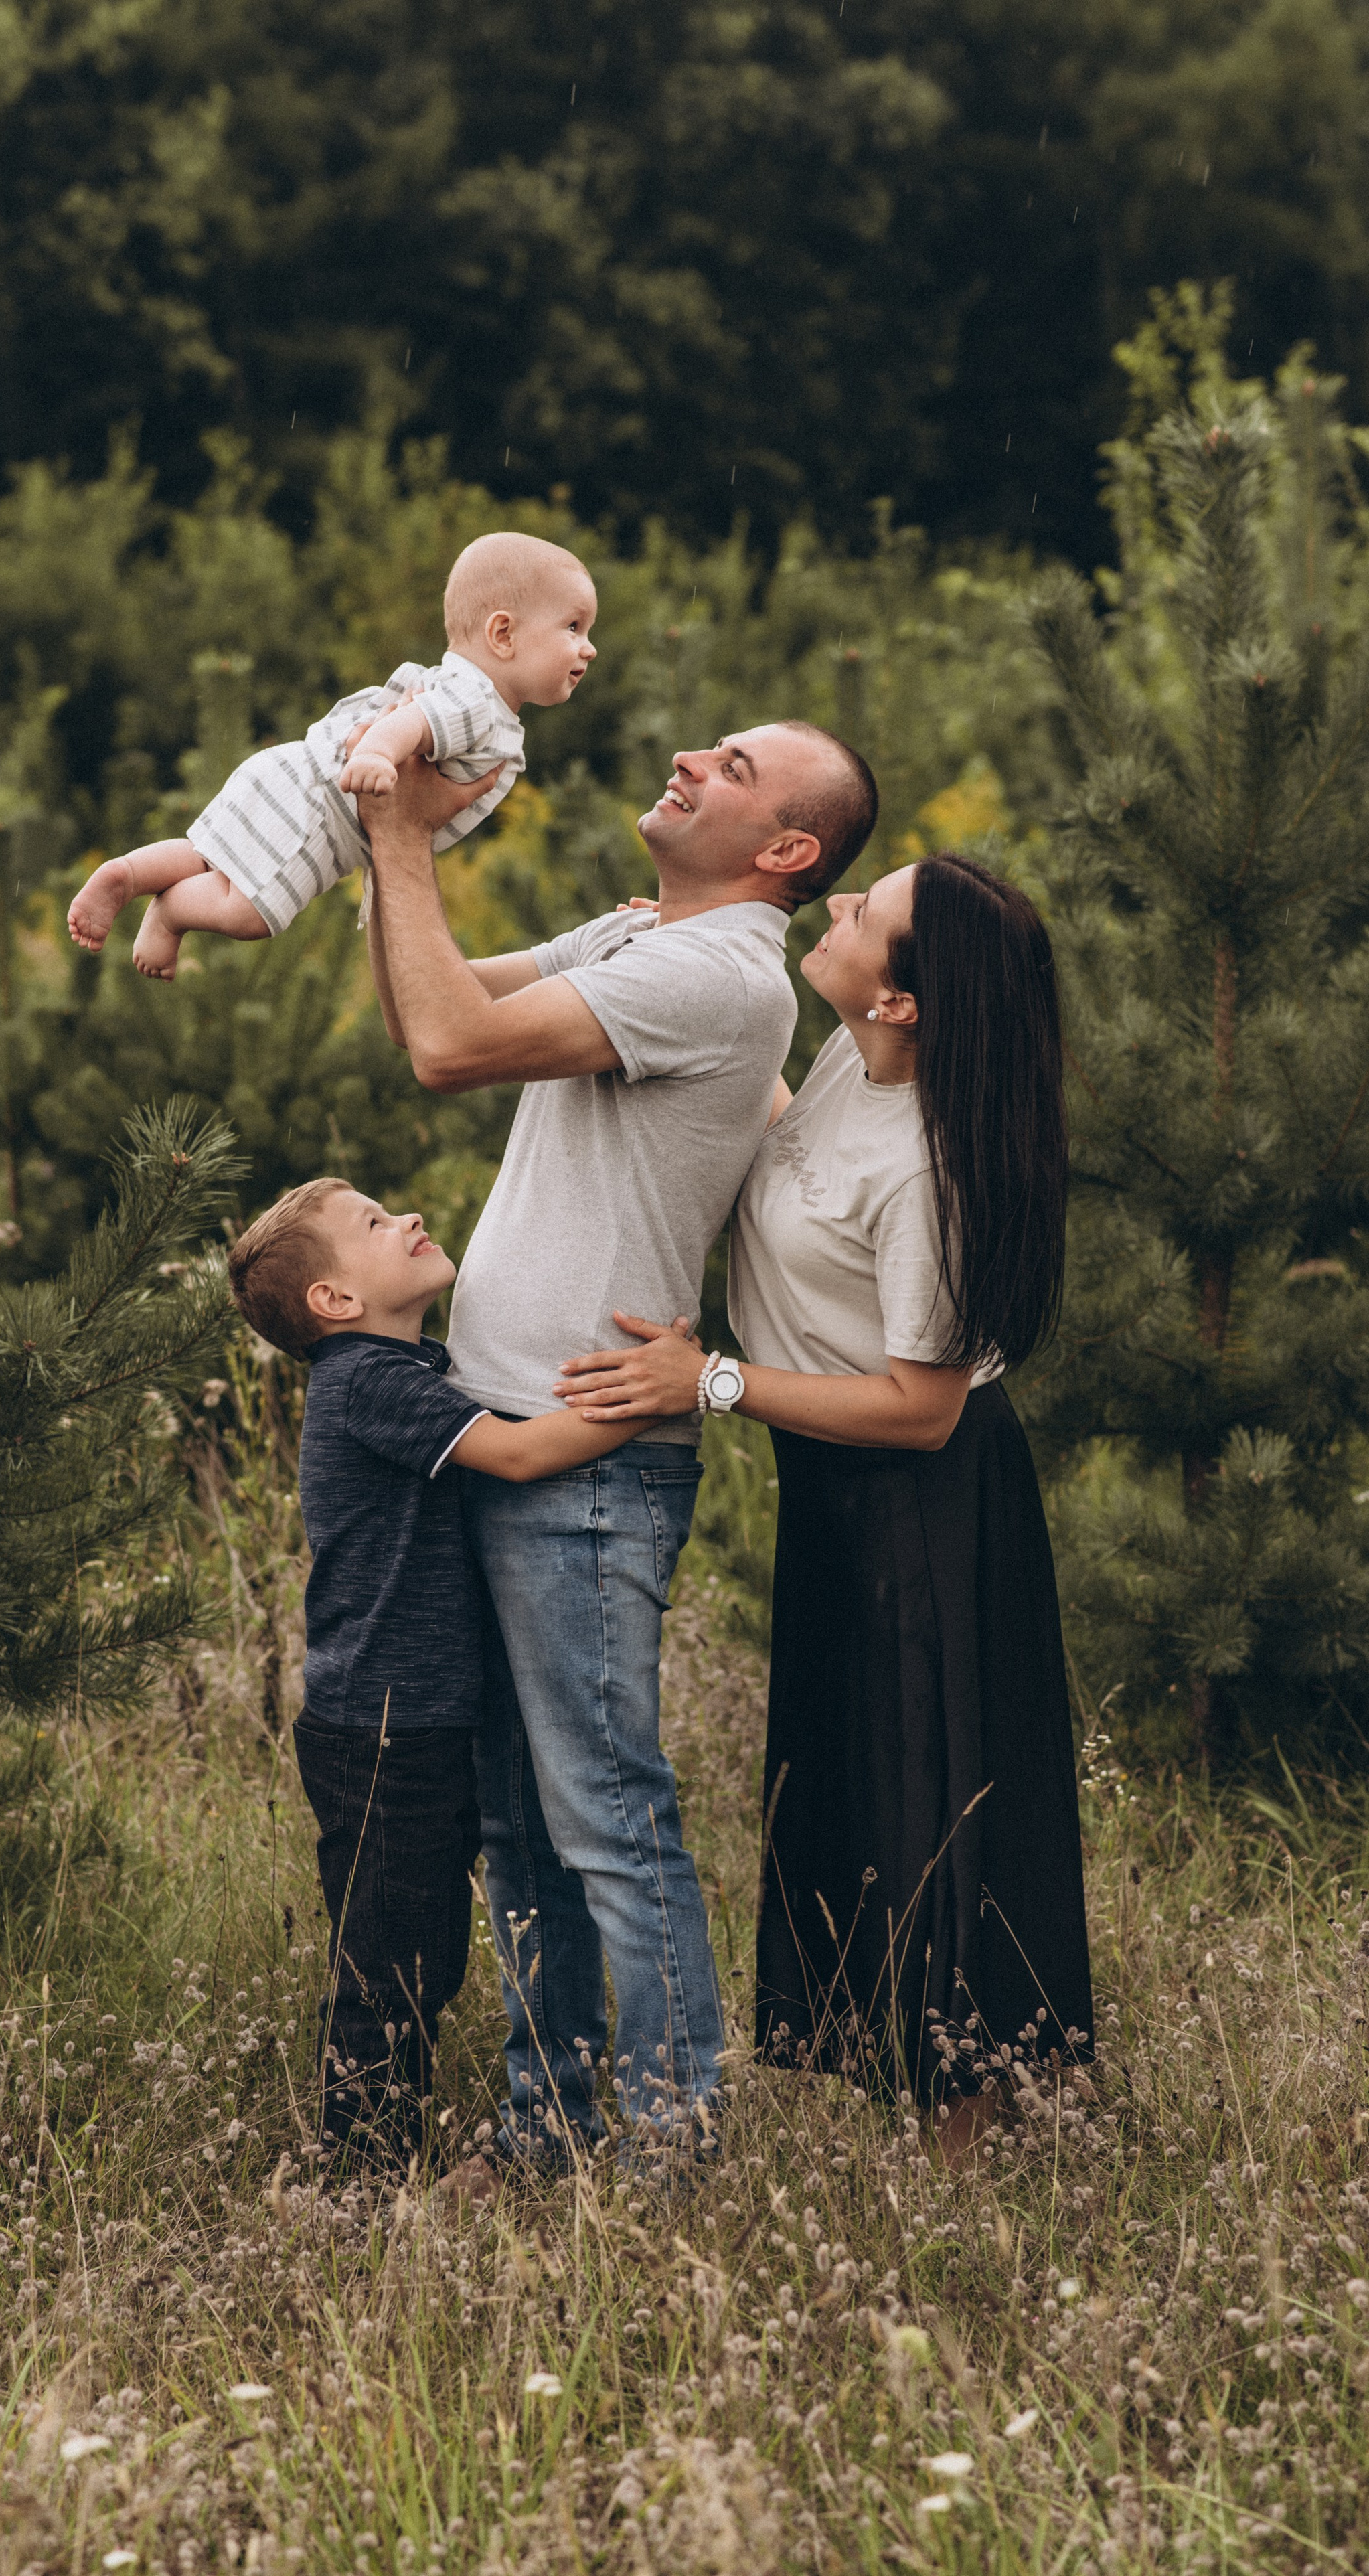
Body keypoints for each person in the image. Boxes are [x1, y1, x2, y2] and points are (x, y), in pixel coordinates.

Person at [355, 719, 878, 2172]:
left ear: (783, 852)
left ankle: (670, 2143)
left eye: (734, 765)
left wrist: (400, 837)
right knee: (521, 1825)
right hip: (506, 1428)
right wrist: (390, 835)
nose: (692, 757)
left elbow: (450, 1045)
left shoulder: (713, 977)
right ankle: (550, 2131)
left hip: (583, 1461)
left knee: (603, 1816)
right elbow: (425, 1003)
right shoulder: (640, 935)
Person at [556, 851, 1094, 2150]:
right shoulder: (861, 1059)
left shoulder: (930, 1170)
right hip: (839, 1487)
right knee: (852, 1777)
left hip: (924, 1498)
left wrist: (711, 1379)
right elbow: (786, 1150)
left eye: (865, 913)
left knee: (932, 1796)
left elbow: (924, 1405)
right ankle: (925, 2090)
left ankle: (973, 2133)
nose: (838, 910)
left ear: (902, 998)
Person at [226, 1176, 660, 2171]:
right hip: (383, 1729)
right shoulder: (365, 1381)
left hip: (420, 1716)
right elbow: (515, 1458)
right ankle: (360, 2178)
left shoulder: (404, 1365)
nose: (410, 1217)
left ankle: (406, 2152)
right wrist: (654, 1397)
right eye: (375, 1226)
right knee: (392, 1964)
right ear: (334, 1303)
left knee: (420, 1952)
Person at [65, 531, 594, 978]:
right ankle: (170, 913)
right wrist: (379, 754)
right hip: (322, 814)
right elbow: (418, 722)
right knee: (250, 914)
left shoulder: (463, 688)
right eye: (573, 627)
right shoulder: (479, 701)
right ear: (502, 634)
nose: (588, 647)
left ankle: (132, 874)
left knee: (210, 857)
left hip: (295, 773)